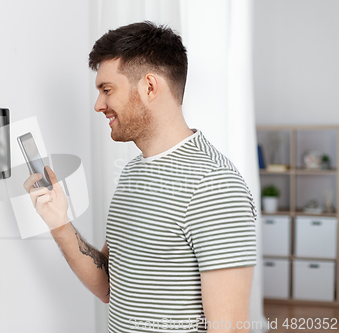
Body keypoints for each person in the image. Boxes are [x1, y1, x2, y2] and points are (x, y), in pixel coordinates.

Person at [23, 21, 257, 333]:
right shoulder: (134, 171)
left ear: (149, 87)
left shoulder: (214, 185)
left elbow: (229, 329)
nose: (98, 105)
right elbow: (109, 285)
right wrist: (59, 223)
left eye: (107, 90)